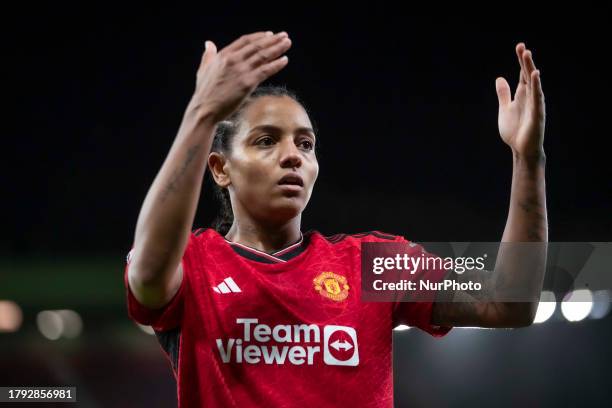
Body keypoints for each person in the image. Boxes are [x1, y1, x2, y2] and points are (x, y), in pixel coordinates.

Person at [123, 31, 547, 407]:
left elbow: (510, 301)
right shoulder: (195, 265)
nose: (293, 155)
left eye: (305, 144)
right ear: (220, 168)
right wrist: (201, 114)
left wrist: (527, 160)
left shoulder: (372, 265)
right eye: (266, 140)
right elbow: (148, 272)